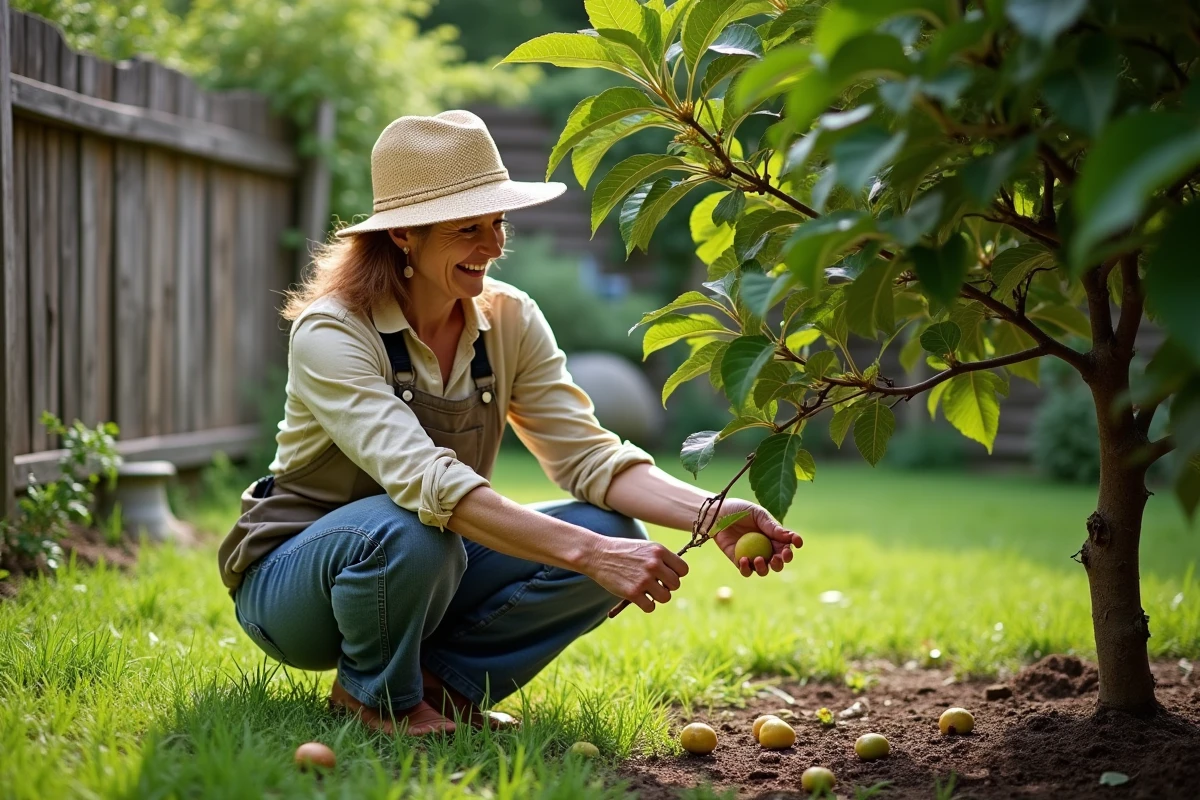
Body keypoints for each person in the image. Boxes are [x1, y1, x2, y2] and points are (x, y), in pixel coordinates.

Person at [217, 110, 803, 736]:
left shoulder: (509, 319)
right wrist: (593, 556)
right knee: (420, 527)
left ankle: (439, 691)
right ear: (405, 236)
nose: (495, 246)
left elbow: (587, 458)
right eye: (469, 228)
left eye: (498, 222)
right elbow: (426, 482)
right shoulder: (334, 331)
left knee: (609, 524)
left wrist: (711, 512)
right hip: (295, 584)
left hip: (425, 564)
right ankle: (373, 699)